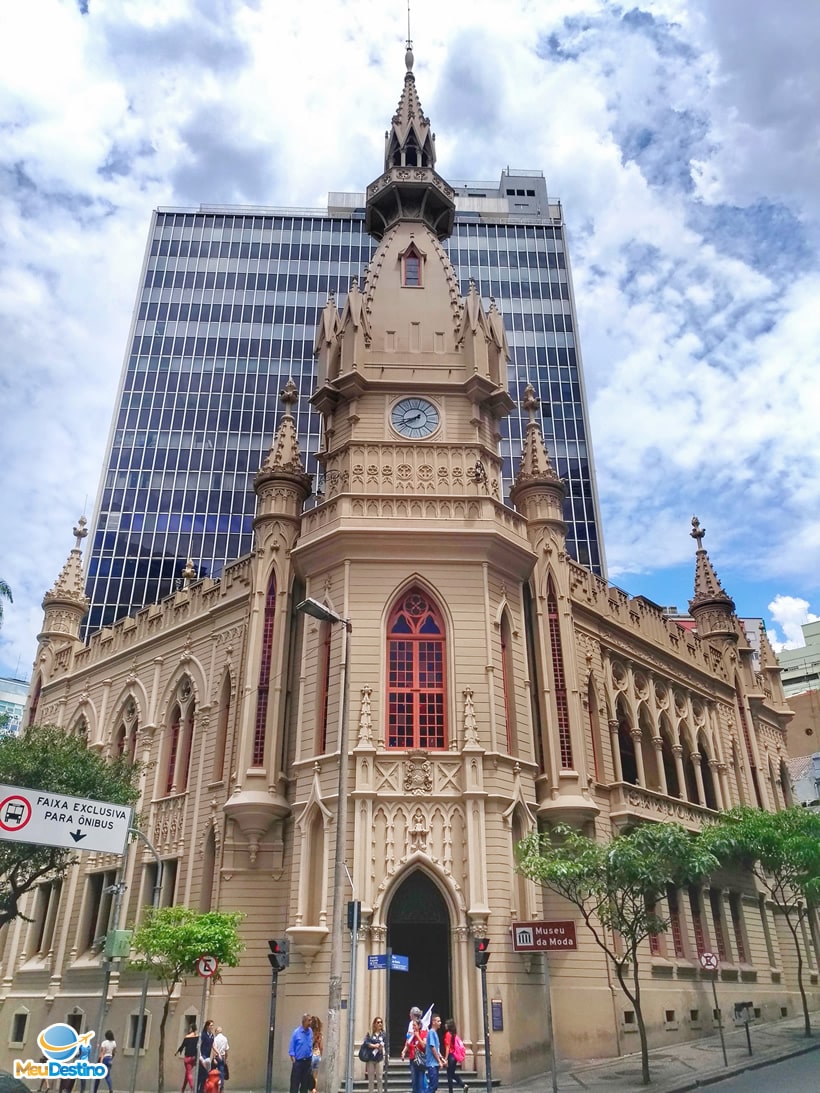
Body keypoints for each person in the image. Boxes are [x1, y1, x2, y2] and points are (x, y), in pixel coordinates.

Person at [400, 1015, 426, 1093]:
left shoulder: (423, 1034)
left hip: (421, 1060)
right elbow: (407, 1044)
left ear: (419, 1026)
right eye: (412, 1025)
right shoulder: (411, 1035)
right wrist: (404, 1052)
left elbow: (423, 1045)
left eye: (414, 1025)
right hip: (412, 1059)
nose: (413, 1027)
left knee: (420, 1080)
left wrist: (417, 1036)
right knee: (414, 1080)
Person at [288, 1013, 313, 1093]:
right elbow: (291, 1048)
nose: (310, 1022)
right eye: (309, 1020)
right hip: (298, 1062)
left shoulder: (310, 1032)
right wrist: (294, 1061)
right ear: (304, 1022)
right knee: (295, 1084)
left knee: (305, 1084)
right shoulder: (296, 1033)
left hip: (307, 1062)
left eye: (311, 1020)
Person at [360, 1016, 385, 1093]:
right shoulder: (370, 1033)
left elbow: (386, 1043)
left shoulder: (383, 1034)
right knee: (371, 1079)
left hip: (379, 1058)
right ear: (374, 1024)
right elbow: (366, 1043)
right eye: (378, 1022)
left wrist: (382, 1048)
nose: (380, 1024)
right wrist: (374, 1046)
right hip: (370, 1058)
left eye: (381, 1022)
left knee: (379, 1078)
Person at [442, 1019, 468, 1093]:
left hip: (450, 1056)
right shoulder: (454, 1034)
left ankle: (451, 1091)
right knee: (452, 1074)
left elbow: (447, 1047)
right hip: (454, 1057)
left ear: (449, 1025)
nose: (445, 1025)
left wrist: (446, 1058)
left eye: (446, 1024)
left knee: (449, 1075)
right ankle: (463, 1085)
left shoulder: (448, 1034)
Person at [424, 1015, 445, 1093]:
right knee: (433, 1086)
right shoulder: (431, 1032)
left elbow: (437, 1049)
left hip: (435, 1063)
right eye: (438, 1021)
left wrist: (442, 1059)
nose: (440, 1023)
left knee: (434, 1085)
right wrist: (439, 1061)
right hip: (432, 1063)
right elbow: (433, 1048)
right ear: (433, 1022)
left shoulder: (435, 1033)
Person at [177, 1024, 200, 1093]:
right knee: (187, 1073)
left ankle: (192, 1088)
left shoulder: (187, 1037)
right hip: (194, 1057)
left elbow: (182, 1046)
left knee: (189, 1073)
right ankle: (183, 1089)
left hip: (187, 1057)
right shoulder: (197, 1037)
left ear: (191, 1028)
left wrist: (178, 1051)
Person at [198, 1020, 216, 1093]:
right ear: (207, 1026)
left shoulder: (211, 1035)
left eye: (212, 1025)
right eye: (211, 1025)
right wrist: (200, 1056)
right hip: (202, 1056)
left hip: (208, 1057)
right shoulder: (203, 1034)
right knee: (201, 1074)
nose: (212, 1027)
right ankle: (197, 1090)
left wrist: (217, 1053)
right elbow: (198, 1045)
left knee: (205, 1075)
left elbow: (212, 1045)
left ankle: (201, 1090)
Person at [212, 1026, 230, 1090]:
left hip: (217, 1057)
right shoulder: (225, 1038)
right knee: (221, 1072)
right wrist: (226, 1059)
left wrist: (214, 1058)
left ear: (217, 1031)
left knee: (214, 1072)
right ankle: (221, 1087)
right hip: (222, 1056)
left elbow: (214, 1048)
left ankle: (215, 1087)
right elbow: (226, 1050)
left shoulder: (215, 1038)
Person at [309, 1015, 323, 1091]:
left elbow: (309, 1044)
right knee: (315, 1076)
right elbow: (321, 1047)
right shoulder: (320, 1034)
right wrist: (320, 1055)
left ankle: (311, 1089)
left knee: (309, 1075)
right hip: (317, 1055)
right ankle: (314, 1089)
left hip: (311, 1055)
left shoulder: (310, 1033)